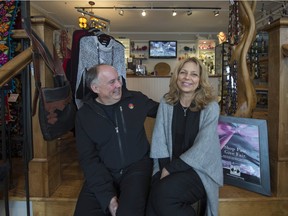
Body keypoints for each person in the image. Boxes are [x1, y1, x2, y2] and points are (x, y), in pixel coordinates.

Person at [74, 64, 159, 216]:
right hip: (104, 171)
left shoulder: (137, 99)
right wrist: (109, 199)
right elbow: (89, 159)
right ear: (95, 88)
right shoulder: (84, 116)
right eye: (111, 82)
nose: (119, 85)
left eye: (118, 79)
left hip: (137, 168)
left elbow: (166, 111)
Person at [147, 57, 223, 216]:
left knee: (161, 194)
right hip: (168, 163)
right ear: (177, 76)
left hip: (200, 170)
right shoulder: (166, 102)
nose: (187, 78)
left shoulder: (210, 107)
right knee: (153, 195)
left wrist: (171, 169)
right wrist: (163, 168)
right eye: (183, 72)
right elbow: (159, 139)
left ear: (201, 80)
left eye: (194, 74)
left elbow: (204, 147)